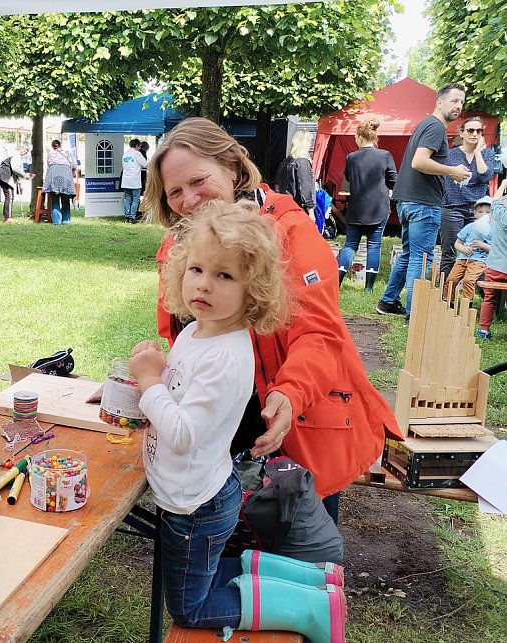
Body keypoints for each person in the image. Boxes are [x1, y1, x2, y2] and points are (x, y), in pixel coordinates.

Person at [143, 117, 402, 523]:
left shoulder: (288, 232)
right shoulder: (179, 246)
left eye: (198, 181)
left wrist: (290, 392)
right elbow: (179, 333)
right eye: (175, 191)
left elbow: (317, 332)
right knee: (227, 554)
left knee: (297, 567)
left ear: (231, 167)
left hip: (294, 424)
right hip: (221, 431)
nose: (189, 200)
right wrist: (149, 384)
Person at [129, 200, 345, 642]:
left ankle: (312, 604)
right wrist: (151, 380)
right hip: (193, 491)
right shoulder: (197, 329)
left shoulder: (226, 355)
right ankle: (305, 580)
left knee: (190, 606)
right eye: (196, 269)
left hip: (195, 505)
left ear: (255, 291)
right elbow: (181, 393)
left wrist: (150, 382)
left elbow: (184, 434)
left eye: (224, 275)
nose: (203, 285)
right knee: (207, 571)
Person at [376, 83, 471, 318]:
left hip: (409, 200)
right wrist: (451, 171)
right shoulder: (436, 127)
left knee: (409, 254)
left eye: (461, 101)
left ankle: (388, 302)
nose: (458, 105)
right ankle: (414, 313)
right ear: (439, 102)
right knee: (421, 257)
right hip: (422, 203)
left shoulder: (427, 124)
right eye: (454, 101)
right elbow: (419, 162)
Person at [337, 120, 398, 290]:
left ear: (360, 137)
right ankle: (369, 287)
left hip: (356, 208)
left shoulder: (351, 157)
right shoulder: (385, 155)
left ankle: (337, 282)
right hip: (379, 208)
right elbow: (394, 180)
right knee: (374, 245)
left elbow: (348, 178)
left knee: (350, 245)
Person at [439, 117, 495, 277]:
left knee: (479, 250)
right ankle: (445, 294)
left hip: (478, 212)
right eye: (470, 130)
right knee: (449, 251)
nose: (475, 134)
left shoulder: (487, 154)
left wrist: (477, 152)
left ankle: (476, 290)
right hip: (452, 207)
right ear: (461, 133)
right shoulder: (451, 155)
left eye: (479, 131)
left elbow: (485, 177)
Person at [475, 179, 507, 340]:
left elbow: (494, 201)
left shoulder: (501, 213)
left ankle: (484, 330)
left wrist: (502, 185)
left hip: (495, 266)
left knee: (489, 298)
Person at [445, 196, 491, 303]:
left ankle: (467, 303)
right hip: (462, 259)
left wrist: (483, 246)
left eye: (488, 212)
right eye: (480, 212)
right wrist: (463, 249)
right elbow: (457, 243)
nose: (484, 214)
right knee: (451, 279)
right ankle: (448, 301)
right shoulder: (470, 227)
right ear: (475, 214)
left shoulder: (493, 230)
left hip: (479, 261)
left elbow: (495, 250)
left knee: (468, 280)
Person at [274, 130, 316, 222]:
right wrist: (311, 209)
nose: (310, 144)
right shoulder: (303, 163)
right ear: (304, 143)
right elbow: (305, 187)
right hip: (297, 208)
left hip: (283, 207)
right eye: (309, 141)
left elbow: (277, 186)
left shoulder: (285, 162)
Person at [42, 139, 77, 225]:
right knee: (65, 200)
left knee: (55, 200)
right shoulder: (67, 153)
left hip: (53, 176)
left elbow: (49, 165)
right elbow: (74, 165)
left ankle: (56, 222)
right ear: (60, 145)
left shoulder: (50, 154)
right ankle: (65, 221)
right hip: (66, 177)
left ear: (52, 146)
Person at [0, 148, 31, 224]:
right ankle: (8, 218)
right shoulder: (16, 156)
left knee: (9, 196)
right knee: (10, 196)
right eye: (24, 150)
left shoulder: (14, 155)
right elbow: (15, 169)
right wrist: (25, 176)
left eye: (26, 152)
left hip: (2, 175)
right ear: (21, 149)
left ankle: (7, 216)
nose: (24, 153)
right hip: (4, 176)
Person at [121, 138, 147, 223]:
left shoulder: (125, 154)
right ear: (136, 146)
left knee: (127, 198)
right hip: (135, 180)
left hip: (126, 180)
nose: (140, 148)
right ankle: (132, 217)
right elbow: (145, 164)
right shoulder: (137, 153)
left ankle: (127, 216)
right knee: (135, 199)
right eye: (139, 146)